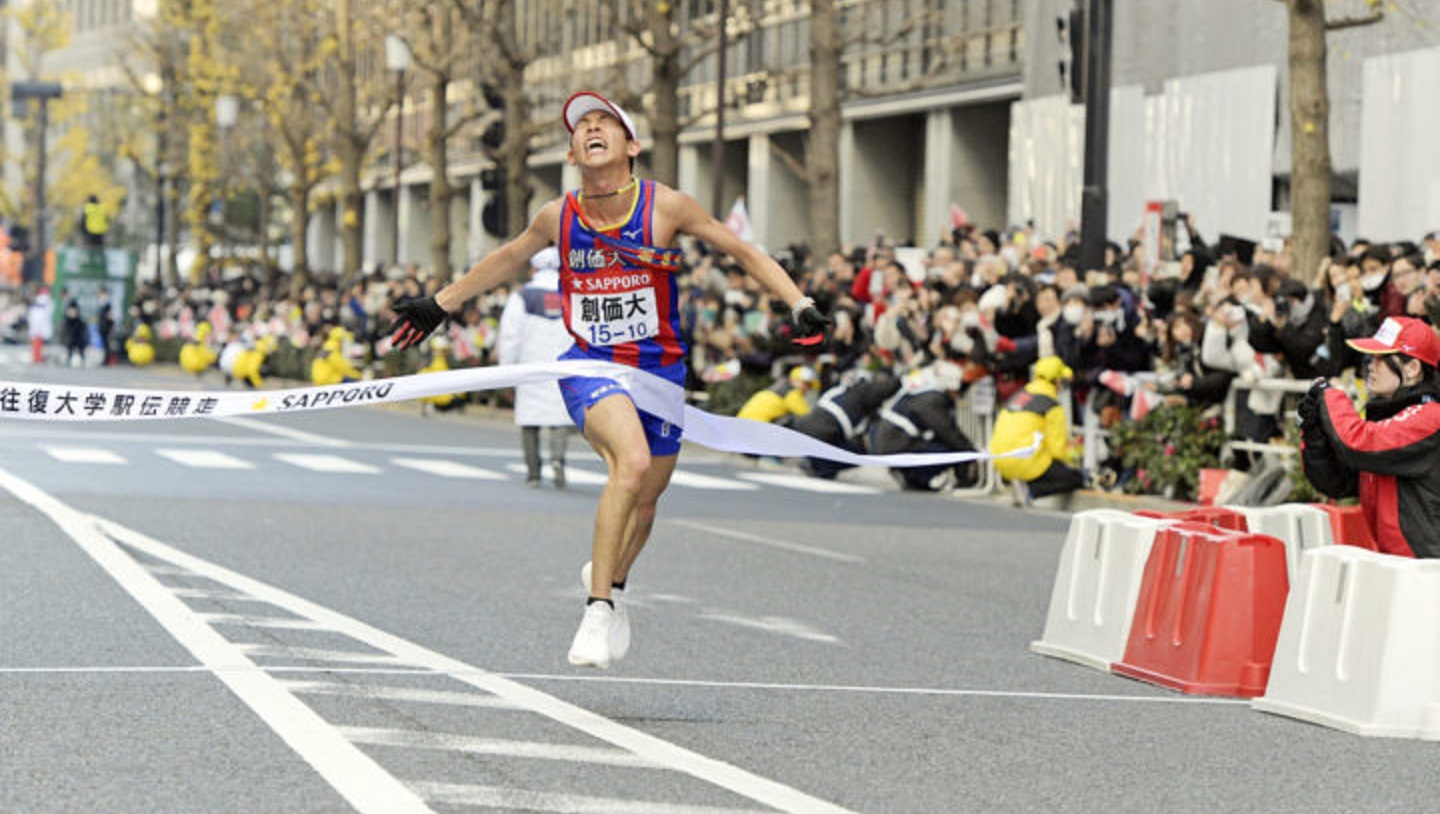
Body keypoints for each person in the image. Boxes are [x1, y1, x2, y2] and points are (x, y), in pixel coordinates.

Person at [388, 90, 830, 669]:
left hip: (661, 372)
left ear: (631, 145)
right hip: (591, 366)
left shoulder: (667, 207)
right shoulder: (557, 216)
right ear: (572, 152)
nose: (591, 130)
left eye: (605, 123)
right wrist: (441, 304)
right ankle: (597, 606)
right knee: (634, 463)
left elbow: (743, 253)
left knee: (644, 505)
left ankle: (615, 587)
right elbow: (508, 257)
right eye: (581, 127)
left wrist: (799, 303)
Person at [1299, 317, 1440, 558]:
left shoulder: (1431, 418)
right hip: (1402, 569)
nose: (1370, 367)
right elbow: (1336, 483)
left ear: (1412, 368)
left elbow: (1357, 443)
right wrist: (1314, 432)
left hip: (1428, 574)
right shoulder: (1388, 419)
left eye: (1381, 358)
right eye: (1369, 358)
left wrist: (1331, 396)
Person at [498, 247, 576, 487]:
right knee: (560, 417)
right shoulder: (572, 295)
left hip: (529, 367)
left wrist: (506, 370)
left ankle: (533, 472)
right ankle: (558, 460)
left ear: (534, 268)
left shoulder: (522, 297)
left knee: (529, 419)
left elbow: (510, 337)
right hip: (563, 365)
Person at [868, 360, 978, 491]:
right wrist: (971, 452)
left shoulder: (922, 390)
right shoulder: (931, 399)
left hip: (889, 439)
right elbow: (947, 431)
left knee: (939, 444)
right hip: (896, 443)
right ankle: (915, 474)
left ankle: (913, 477)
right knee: (951, 449)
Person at [989, 356, 1084, 505]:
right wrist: (1077, 454)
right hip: (1028, 463)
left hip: (1000, 459)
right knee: (1076, 478)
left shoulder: (1019, 396)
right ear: (1057, 380)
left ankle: (1019, 485)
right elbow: (1057, 450)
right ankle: (1030, 490)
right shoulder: (1052, 406)